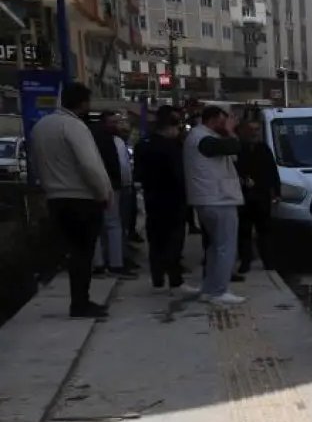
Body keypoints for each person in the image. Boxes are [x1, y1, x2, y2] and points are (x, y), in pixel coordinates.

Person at [29, 83, 115, 319]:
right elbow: (89, 165)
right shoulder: (74, 126)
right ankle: (80, 303)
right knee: (83, 254)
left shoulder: (40, 127)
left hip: (55, 199)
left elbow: (37, 162)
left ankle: (74, 298)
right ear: (82, 103)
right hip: (82, 199)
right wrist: (103, 193)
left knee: (70, 251)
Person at [184, 106, 245, 306]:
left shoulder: (200, 137)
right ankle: (219, 291)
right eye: (223, 120)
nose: (226, 123)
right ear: (213, 120)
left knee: (214, 247)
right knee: (225, 247)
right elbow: (235, 146)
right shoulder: (203, 138)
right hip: (218, 199)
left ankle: (209, 289)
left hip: (209, 199)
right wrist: (230, 130)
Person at [134, 108, 194, 293]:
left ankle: (157, 278)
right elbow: (179, 174)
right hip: (173, 199)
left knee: (156, 240)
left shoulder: (143, 144)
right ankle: (175, 278)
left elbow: (139, 173)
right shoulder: (173, 147)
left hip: (152, 197)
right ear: (170, 127)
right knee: (174, 241)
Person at [89, 111, 136, 279]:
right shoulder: (105, 139)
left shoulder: (113, 140)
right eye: (112, 122)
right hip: (109, 186)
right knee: (112, 224)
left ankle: (103, 264)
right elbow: (112, 165)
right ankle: (113, 264)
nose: (116, 125)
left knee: (109, 225)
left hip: (113, 186)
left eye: (117, 122)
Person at [235, 120, 280, 272]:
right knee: (244, 231)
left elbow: (273, 172)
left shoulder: (263, 149)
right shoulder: (237, 149)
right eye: (251, 129)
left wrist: (276, 193)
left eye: (256, 130)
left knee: (265, 231)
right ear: (242, 131)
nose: (254, 133)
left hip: (262, 196)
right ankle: (245, 262)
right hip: (243, 197)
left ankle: (268, 262)